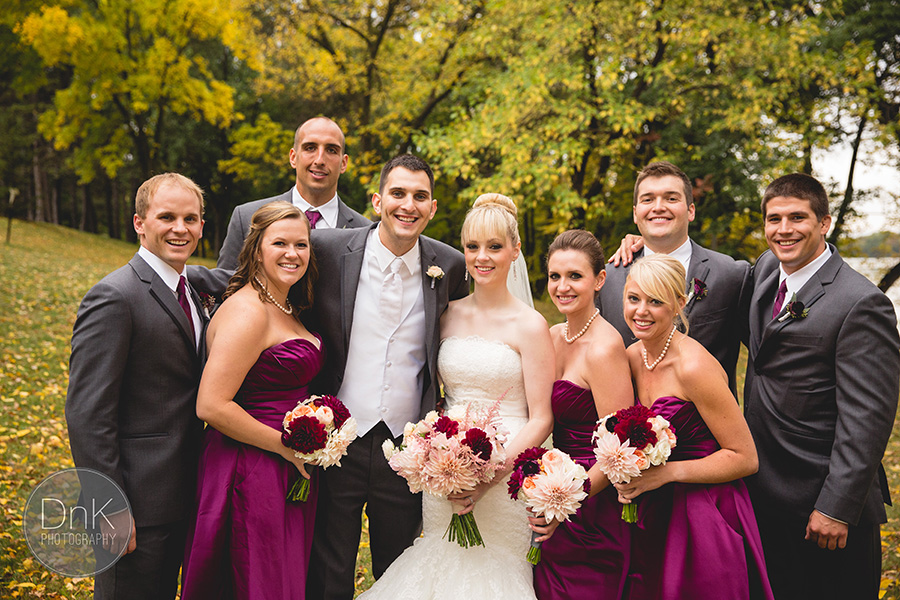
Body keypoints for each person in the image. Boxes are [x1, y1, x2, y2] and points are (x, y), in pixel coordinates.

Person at [357, 193, 555, 599]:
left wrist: (488, 476)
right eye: (472, 247)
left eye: (495, 247)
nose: (482, 257)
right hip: (444, 471)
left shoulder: (531, 326)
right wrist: (437, 457)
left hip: (505, 477)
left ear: (515, 251)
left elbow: (542, 418)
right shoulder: (448, 314)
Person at [306, 155, 468, 600]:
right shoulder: (328, 249)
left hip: (407, 445)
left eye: (419, 196)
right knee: (328, 565)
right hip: (339, 438)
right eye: (398, 194)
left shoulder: (450, 266)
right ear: (378, 200)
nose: (408, 205)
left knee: (397, 570)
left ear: (432, 208)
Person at [744, 173, 900, 600]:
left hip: (823, 505)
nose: (784, 229)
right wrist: (642, 244)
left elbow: (867, 418)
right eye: (774, 219)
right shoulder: (763, 272)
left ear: (825, 222)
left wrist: (835, 506)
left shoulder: (861, 302)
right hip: (764, 492)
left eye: (798, 217)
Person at [66, 173, 208, 600]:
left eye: (191, 218)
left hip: (186, 494)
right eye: (167, 217)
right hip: (134, 503)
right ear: (139, 223)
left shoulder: (194, 288)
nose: (180, 228)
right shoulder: (114, 296)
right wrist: (107, 505)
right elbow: (88, 414)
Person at [180, 202, 322, 599]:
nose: (292, 254)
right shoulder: (248, 312)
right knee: (256, 579)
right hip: (251, 468)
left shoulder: (285, 304)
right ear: (257, 248)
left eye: (301, 245)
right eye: (280, 243)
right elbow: (210, 404)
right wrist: (285, 447)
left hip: (282, 467)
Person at [615, 254, 773, 600]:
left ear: (678, 304)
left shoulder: (693, 367)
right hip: (653, 509)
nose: (641, 311)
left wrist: (666, 473)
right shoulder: (630, 357)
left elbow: (745, 457)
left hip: (705, 512)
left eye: (655, 301)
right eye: (634, 298)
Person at [532, 230, 633, 599]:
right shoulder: (553, 335)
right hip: (553, 488)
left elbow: (617, 449)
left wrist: (565, 501)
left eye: (575, 276)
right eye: (555, 276)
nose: (563, 286)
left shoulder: (605, 349)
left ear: (599, 280)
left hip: (592, 503)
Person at [599, 161, 750, 392]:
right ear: (635, 213)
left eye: (671, 198)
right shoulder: (608, 279)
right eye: (648, 199)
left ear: (691, 211)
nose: (658, 207)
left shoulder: (732, 275)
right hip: (628, 422)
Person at [216, 116, 370, 270]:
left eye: (331, 150)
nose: (320, 160)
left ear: (343, 164)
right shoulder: (247, 219)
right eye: (310, 148)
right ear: (293, 157)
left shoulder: (365, 233)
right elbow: (224, 287)